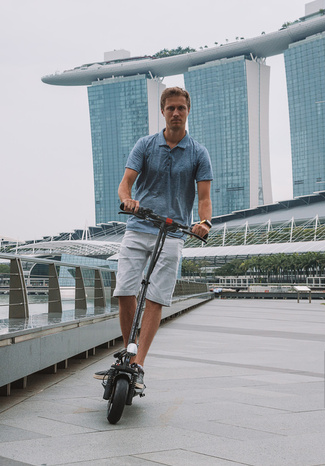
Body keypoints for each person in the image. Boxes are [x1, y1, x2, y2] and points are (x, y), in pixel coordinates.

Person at [95, 87, 213, 392]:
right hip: (138, 226)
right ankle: (128, 349)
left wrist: (204, 223)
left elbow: (204, 199)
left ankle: (138, 364)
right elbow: (126, 184)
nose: (176, 113)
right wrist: (127, 200)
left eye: (181, 108)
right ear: (162, 111)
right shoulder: (145, 145)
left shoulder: (199, 153)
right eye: (170, 108)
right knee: (124, 290)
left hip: (173, 233)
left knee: (156, 297)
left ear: (188, 112)